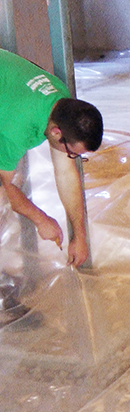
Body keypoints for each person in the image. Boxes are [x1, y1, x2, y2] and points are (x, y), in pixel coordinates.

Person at [0, 49, 103, 274]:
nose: (71, 158)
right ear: (57, 133)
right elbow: (6, 187)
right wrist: (41, 219)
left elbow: (66, 174)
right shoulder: (18, 127)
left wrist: (79, 236)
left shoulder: (61, 103)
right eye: (72, 152)